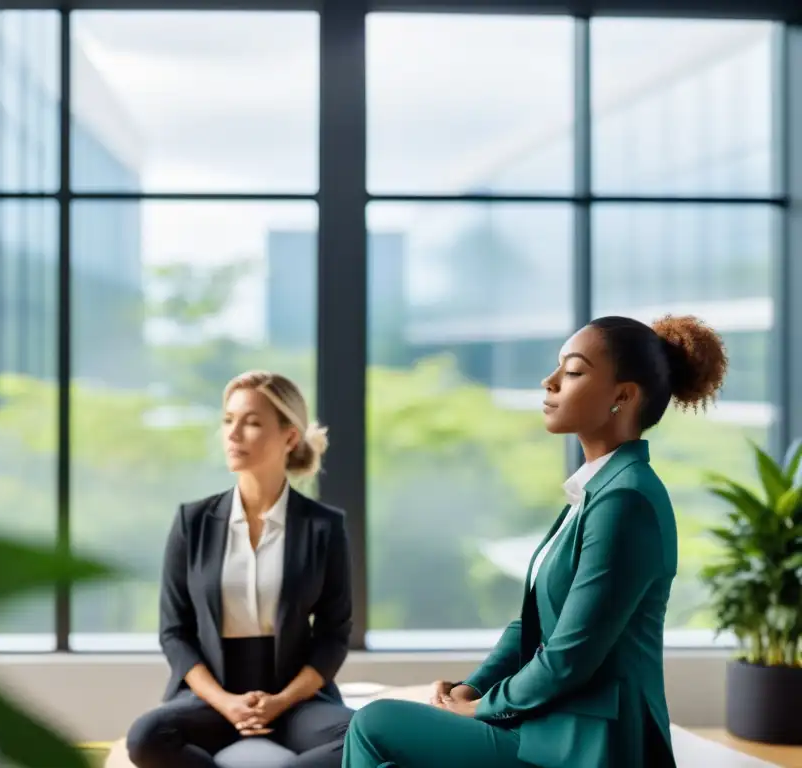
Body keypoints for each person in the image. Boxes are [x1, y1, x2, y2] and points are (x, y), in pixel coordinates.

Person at [343, 314, 729, 768]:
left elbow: (569, 656)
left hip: (585, 743)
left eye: (573, 371)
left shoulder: (626, 499)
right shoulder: (598, 490)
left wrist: (481, 709)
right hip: (551, 723)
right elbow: (534, 626)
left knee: (374, 725)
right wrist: (473, 686)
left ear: (622, 396)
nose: (549, 382)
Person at [127, 371, 355, 768]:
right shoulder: (192, 522)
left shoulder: (324, 527)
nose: (233, 434)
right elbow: (174, 632)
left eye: (251, 422)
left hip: (295, 698)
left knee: (363, 741)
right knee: (147, 737)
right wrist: (227, 703)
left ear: (289, 436)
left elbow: (334, 635)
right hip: (211, 696)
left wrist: (281, 701)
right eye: (228, 420)